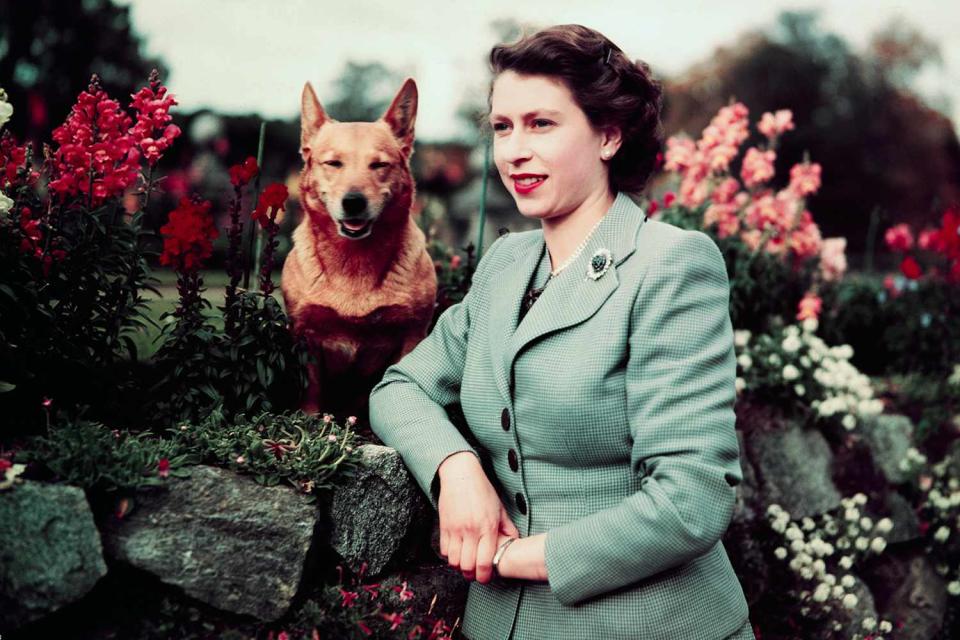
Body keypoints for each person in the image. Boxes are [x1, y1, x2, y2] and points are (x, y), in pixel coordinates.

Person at [368, 23, 755, 640]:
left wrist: (513, 557)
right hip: (500, 626)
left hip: (649, 624)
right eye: (502, 127)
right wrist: (456, 467)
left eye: (541, 124)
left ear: (607, 135)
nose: (514, 150)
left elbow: (692, 501)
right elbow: (398, 388)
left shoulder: (671, 264)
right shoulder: (504, 264)